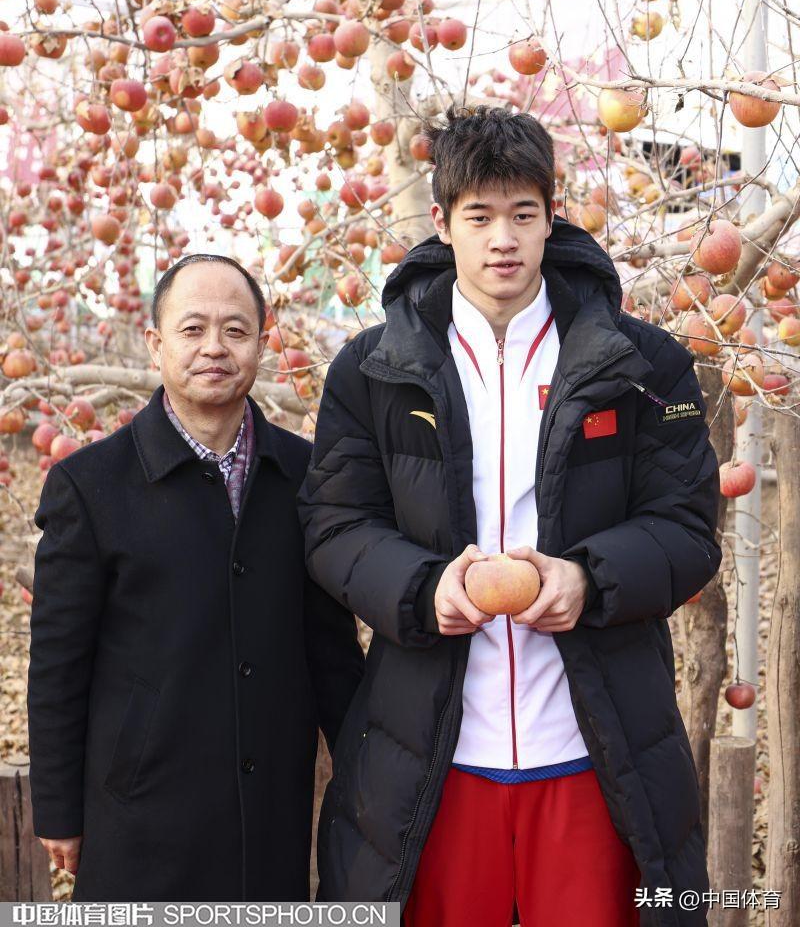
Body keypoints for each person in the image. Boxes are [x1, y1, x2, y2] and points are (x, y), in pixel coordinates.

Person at [297, 107, 721, 927]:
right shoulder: (372, 370)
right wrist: (423, 589)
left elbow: (686, 526)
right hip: (435, 751)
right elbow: (334, 522)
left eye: (524, 215)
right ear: (441, 221)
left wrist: (586, 579)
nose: (504, 240)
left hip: (593, 748)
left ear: (551, 218)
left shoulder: (643, 364)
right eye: (480, 216)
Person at [28, 254, 364, 901]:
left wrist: (366, 775)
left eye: (235, 330)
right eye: (192, 329)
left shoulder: (304, 476)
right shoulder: (91, 486)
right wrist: (57, 808)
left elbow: (331, 652)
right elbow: (58, 664)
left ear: (262, 343)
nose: (214, 347)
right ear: (156, 344)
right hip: (141, 810)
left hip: (271, 806)